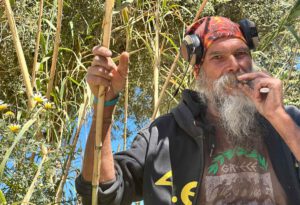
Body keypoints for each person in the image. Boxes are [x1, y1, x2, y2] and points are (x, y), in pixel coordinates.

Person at [75, 16, 300, 205]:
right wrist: (104, 106)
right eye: (218, 57)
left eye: (241, 54)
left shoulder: (288, 120)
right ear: (197, 73)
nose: (234, 65)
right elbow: (101, 193)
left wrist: (277, 115)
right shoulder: (162, 136)